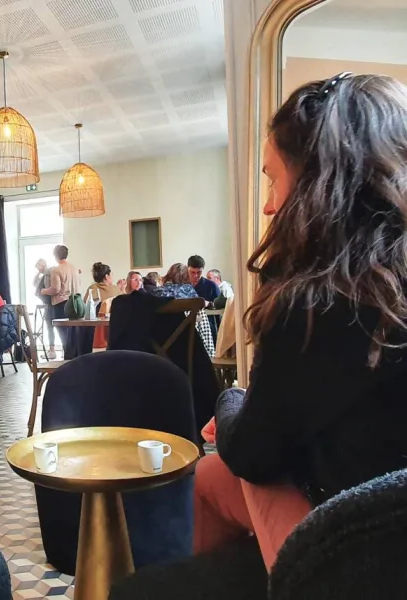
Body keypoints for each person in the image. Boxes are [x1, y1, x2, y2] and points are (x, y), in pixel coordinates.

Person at [195, 73, 407, 572]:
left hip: (361, 555)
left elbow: (252, 455)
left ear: (319, 181)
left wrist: (230, 400)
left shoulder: (318, 302)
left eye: (273, 179)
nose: (269, 205)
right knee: (209, 477)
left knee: (227, 464)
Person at [152, 263, 214, 357]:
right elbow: (200, 303)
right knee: (200, 313)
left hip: (161, 342)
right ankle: (209, 355)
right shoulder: (188, 290)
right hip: (187, 341)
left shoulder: (157, 292)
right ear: (186, 276)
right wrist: (209, 303)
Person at [42, 245, 80, 350]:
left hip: (62, 304)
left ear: (55, 255)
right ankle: (74, 356)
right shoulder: (74, 268)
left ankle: (67, 356)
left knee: (64, 335)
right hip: (76, 303)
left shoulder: (57, 270)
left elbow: (55, 289)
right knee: (73, 334)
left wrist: (44, 291)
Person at [34, 258, 56, 359]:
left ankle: (52, 350)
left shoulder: (50, 273)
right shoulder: (44, 275)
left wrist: (43, 292)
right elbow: (34, 283)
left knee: (51, 327)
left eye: (39, 267)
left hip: (51, 304)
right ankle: (52, 349)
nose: (38, 269)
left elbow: (49, 289)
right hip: (48, 304)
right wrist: (39, 273)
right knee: (50, 327)